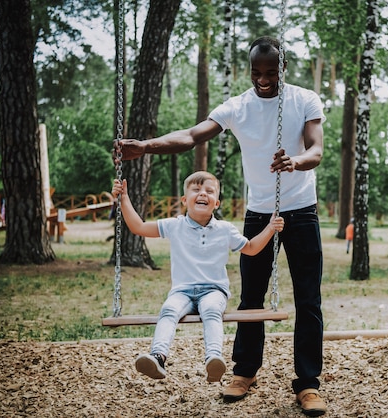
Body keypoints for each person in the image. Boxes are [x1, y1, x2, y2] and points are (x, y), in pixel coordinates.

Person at [114, 36, 327, 416]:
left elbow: (316, 150)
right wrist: (146, 146)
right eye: (256, 71)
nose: (263, 79)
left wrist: (294, 161)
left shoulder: (304, 99)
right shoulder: (238, 107)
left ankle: (308, 383)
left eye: (271, 71)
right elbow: (191, 136)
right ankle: (245, 371)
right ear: (249, 70)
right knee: (250, 297)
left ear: (284, 68)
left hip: (302, 210)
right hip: (260, 212)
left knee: (308, 299)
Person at [111, 171, 284, 383]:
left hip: (214, 290)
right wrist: (124, 198)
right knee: (169, 309)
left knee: (211, 310)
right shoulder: (174, 225)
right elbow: (138, 227)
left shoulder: (225, 229)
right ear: (185, 200)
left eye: (209, 191)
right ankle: (158, 356)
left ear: (216, 203)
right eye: (196, 189)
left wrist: (270, 228)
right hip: (182, 291)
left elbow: (250, 248)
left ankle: (213, 358)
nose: (203, 193)